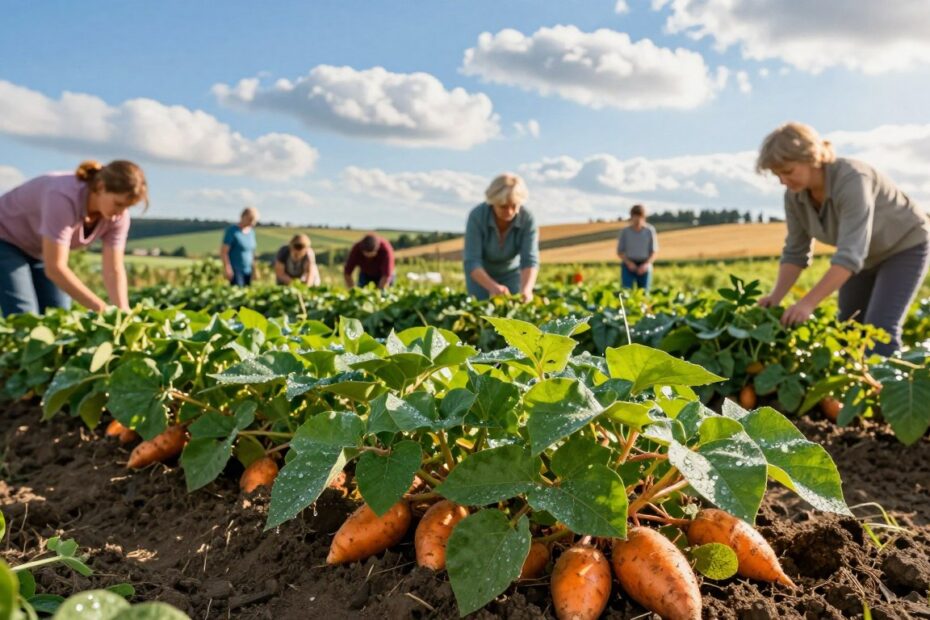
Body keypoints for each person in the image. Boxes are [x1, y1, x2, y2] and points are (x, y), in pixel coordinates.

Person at [756, 122, 930, 355]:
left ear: (811, 157)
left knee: (880, 330)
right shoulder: (795, 196)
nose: (783, 181)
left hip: (904, 247)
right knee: (849, 328)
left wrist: (807, 303)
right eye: (777, 175)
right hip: (864, 257)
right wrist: (775, 299)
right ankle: (858, 386)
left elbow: (850, 255)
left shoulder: (852, 179)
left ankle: (893, 387)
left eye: (787, 172)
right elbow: (795, 252)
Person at [0, 160, 147, 316]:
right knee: (24, 315)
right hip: (5, 238)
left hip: (39, 249)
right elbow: (55, 268)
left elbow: (114, 269)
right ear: (101, 187)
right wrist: (102, 309)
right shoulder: (62, 196)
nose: (121, 212)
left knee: (59, 315)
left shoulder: (118, 218)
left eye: (127, 206)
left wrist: (122, 311)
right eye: (118, 203)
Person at [463, 173, 539, 302]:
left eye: (514, 206)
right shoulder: (477, 217)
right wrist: (493, 287)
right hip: (480, 276)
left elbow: (530, 260)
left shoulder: (527, 219)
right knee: (481, 313)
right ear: (493, 202)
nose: (509, 212)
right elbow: (472, 261)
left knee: (514, 316)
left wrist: (526, 289)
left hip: (511, 275)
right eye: (503, 206)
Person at [617, 204, 658, 290]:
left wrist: (646, 264)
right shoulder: (625, 232)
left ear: (644, 217)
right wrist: (629, 263)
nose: (637, 219)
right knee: (626, 291)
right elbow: (620, 252)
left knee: (644, 293)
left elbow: (654, 251)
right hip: (628, 265)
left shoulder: (649, 231)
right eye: (635, 216)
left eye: (639, 217)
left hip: (645, 265)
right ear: (631, 217)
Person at [221, 207, 259, 286]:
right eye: (250, 219)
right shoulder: (232, 231)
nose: (252, 223)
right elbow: (224, 252)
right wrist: (227, 268)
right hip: (235, 269)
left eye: (253, 220)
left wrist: (255, 269)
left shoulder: (251, 233)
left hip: (248, 270)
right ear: (243, 217)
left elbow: (252, 252)